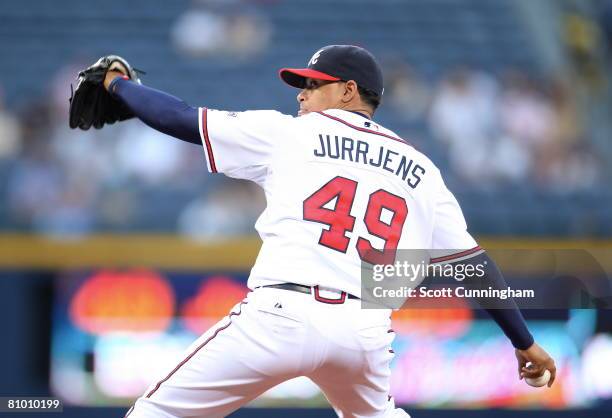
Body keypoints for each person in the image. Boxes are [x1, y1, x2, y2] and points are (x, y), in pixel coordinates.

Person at [99, 45, 556, 418]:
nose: (301, 95)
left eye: (313, 85)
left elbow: (179, 117)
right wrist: (525, 342)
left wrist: (116, 84)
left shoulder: (290, 134)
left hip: (280, 315)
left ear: (348, 91)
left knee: (157, 414)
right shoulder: (421, 168)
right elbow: (473, 266)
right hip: (363, 333)